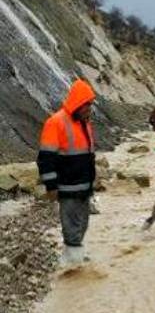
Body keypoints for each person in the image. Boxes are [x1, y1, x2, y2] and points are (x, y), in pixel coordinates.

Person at [37, 79, 97, 265]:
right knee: (71, 227)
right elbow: (46, 158)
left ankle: (72, 258)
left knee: (82, 224)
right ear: (79, 104)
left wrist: (93, 181)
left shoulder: (84, 123)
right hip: (67, 186)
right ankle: (74, 266)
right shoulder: (55, 122)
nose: (90, 109)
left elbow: (88, 155)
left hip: (84, 186)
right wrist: (51, 186)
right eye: (87, 105)